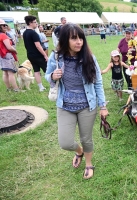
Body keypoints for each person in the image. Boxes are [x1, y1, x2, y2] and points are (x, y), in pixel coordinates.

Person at [45, 23, 108, 179]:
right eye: (74, 38)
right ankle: (78, 151)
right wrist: (52, 76)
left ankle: (88, 163)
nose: (79, 41)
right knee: (65, 142)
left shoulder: (89, 58)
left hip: (88, 106)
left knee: (86, 138)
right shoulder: (56, 57)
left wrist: (103, 106)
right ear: (66, 39)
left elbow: (98, 82)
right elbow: (47, 75)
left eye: (81, 38)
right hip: (65, 105)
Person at [23, 15, 48, 92]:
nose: (36, 24)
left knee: (36, 71)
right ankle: (54, 86)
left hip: (30, 55)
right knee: (48, 70)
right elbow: (38, 46)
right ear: (30, 23)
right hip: (38, 55)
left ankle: (41, 87)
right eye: (35, 22)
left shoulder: (25, 33)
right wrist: (45, 55)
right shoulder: (33, 33)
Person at [0, 19, 19, 92]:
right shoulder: (3, 35)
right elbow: (8, 47)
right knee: (11, 72)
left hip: (2, 55)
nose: (5, 26)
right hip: (7, 55)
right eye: (3, 25)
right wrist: (15, 50)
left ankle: (9, 88)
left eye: (5, 25)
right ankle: (16, 89)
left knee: (5, 72)